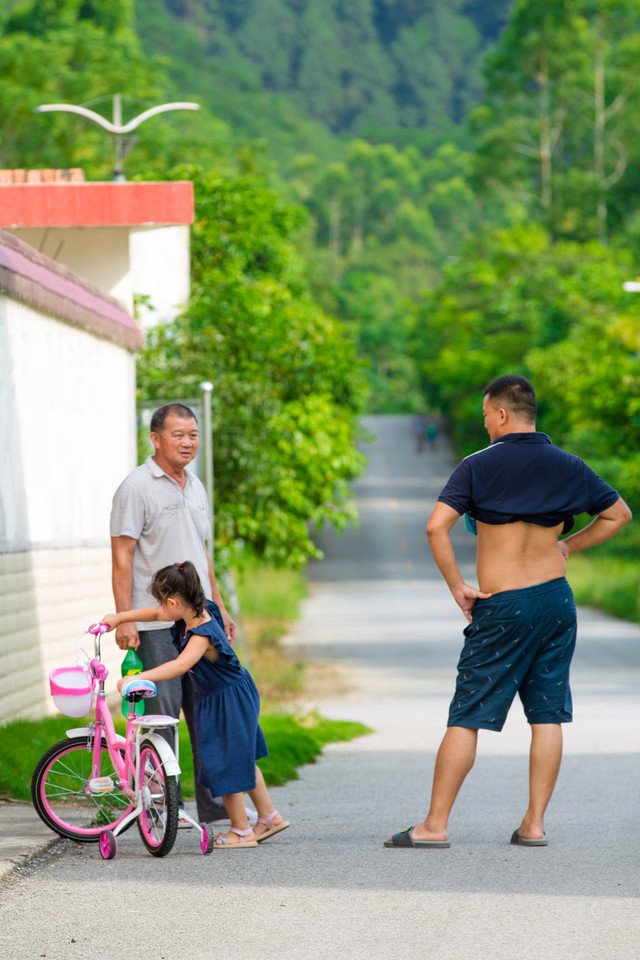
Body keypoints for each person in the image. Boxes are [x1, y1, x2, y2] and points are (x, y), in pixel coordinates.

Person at [385, 375, 631, 849]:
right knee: (547, 714)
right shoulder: (568, 464)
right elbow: (618, 514)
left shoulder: (477, 465)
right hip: (555, 600)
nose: (484, 424)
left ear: (501, 414)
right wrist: (568, 545)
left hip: (503, 606)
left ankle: (434, 826)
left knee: (467, 714)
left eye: (485, 416)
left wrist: (458, 586)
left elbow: (436, 527)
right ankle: (534, 825)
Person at [110, 402, 243, 826]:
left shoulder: (196, 486)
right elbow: (122, 556)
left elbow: (202, 555)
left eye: (193, 435)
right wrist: (126, 618)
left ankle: (217, 812)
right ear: (155, 439)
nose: (188, 442)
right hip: (158, 626)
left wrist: (218, 607)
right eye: (178, 434)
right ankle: (162, 810)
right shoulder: (136, 487)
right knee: (160, 719)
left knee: (209, 715)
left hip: (200, 623)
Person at [103, 561, 290, 849]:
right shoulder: (196, 610)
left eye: (161, 602)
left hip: (226, 699)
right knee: (240, 756)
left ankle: (241, 831)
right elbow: (155, 614)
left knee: (222, 762)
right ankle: (269, 817)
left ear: (174, 602)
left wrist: (139, 677)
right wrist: (119, 617)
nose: (159, 608)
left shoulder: (201, 632)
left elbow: (180, 665)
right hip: (229, 693)